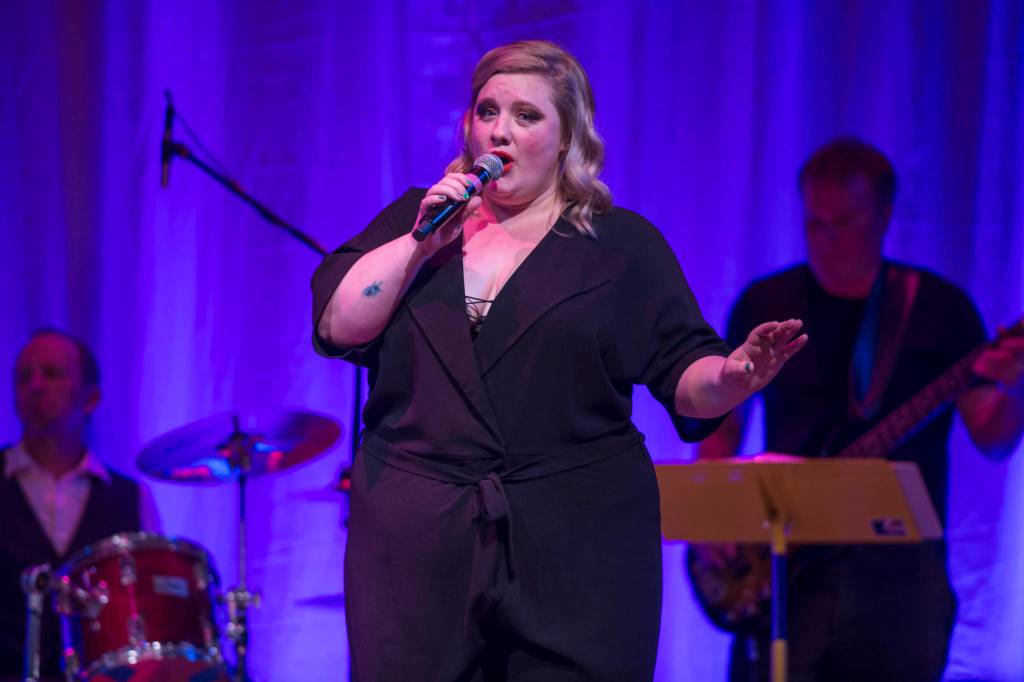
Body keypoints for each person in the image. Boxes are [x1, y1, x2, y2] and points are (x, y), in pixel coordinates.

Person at [312, 40, 806, 681]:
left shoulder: (618, 246)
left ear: (568, 136)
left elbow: (684, 373)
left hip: (574, 543)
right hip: (420, 542)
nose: (500, 130)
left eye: (526, 116)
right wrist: (419, 243)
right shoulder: (419, 221)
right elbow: (337, 323)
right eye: (487, 110)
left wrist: (735, 375)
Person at [697, 138, 1024, 682]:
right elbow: (721, 427)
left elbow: (992, 437)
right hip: (787, 565)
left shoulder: (939, 309)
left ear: (885, 215)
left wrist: (1015, 387)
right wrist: (711, 517)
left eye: (844, 222)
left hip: (900, 575)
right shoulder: (766, 303)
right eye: (814, 224)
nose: (826, 240)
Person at [0, 329, 160, 681]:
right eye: (24, 377)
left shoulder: (130, 499)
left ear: (91, 397)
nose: (36, 386)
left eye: (52, 374)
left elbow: (148, 616)